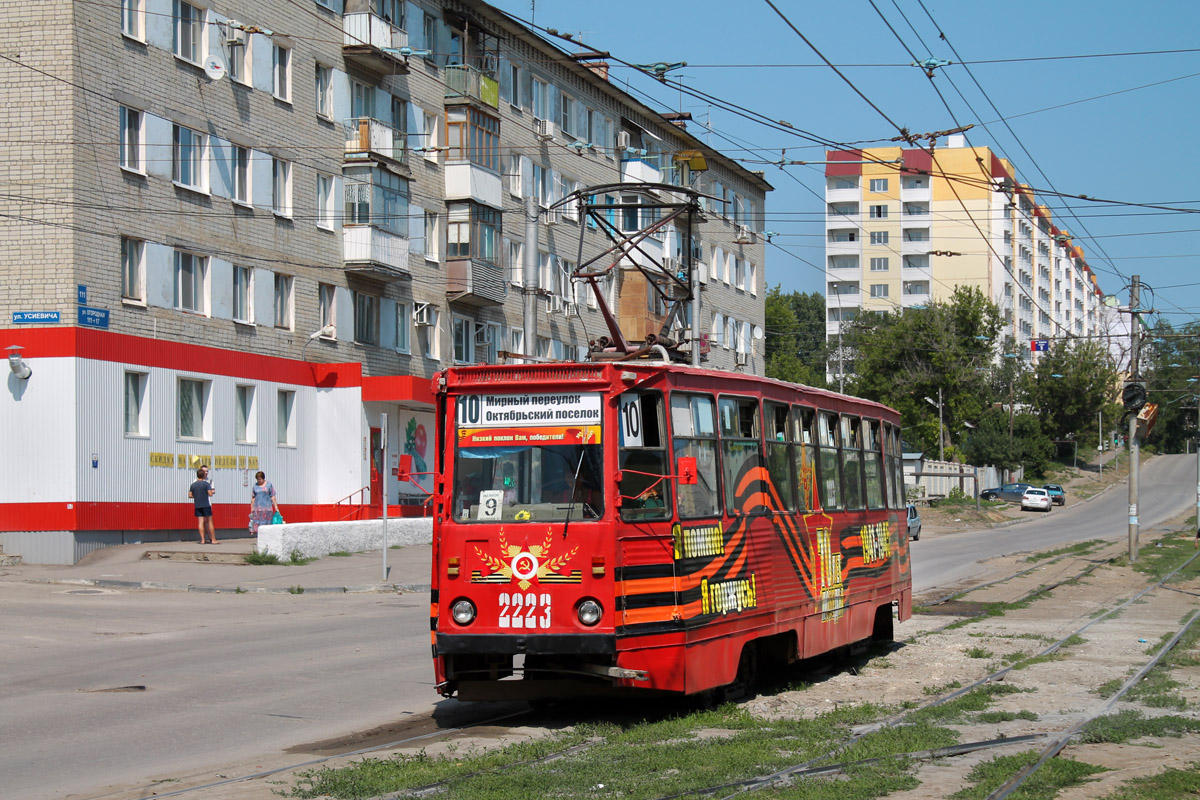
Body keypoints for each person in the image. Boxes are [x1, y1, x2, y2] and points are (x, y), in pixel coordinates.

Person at [188, 466, 218, 544]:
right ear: (203, 475)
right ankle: (213, 539)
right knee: (209, 522)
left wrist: (197, 495)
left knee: (200, 522)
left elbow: (190, 495)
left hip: (197, 505)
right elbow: (210, 494)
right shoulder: (206, 484)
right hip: (206, 504)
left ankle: (202, 540)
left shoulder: (193, 485)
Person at [249, 471, 279, 536]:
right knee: (258, 525)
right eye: (257, 479)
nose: (259, 481)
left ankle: (267, 537)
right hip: (258, 509)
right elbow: (253, 498)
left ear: (263, 478)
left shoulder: (269, 485)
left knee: (267, 525)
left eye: (260, 479)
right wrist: (252, 507)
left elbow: (272, 496)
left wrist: (276, 506)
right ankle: (260, 537)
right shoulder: (255, 486)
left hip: (267, 509)